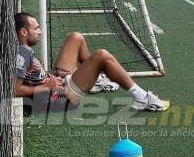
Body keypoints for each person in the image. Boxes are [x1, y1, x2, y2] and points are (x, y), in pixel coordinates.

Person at [14, 13, 170, 111]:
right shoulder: (22, 53)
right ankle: (143, 98)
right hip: (62, 98)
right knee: (102, 56)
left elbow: (34, 76)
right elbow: (16, 90)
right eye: (36, 28)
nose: (40, 32)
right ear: (24, 32)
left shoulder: (24, 50)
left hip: (59, 81)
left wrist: (52, 76)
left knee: (75, 37)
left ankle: (94, 80)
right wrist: (45, 86)